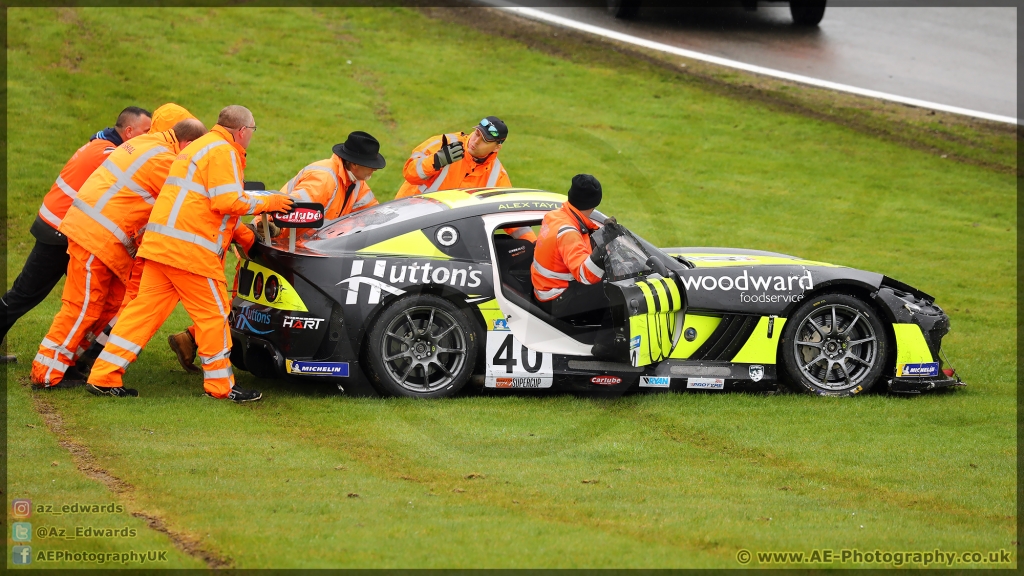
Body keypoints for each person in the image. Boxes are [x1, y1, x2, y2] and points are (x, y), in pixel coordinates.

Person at [85, 105, 294, 401]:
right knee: (214, 315)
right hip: (190, 251)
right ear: (243, 131)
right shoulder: (223, 151)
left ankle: (103, 375)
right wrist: (269, 203)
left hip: (161, 247)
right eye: (253, 132)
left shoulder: (198, 147)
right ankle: (221, 387)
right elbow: (227, 201)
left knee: (141, 314)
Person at [165, 131, 386, 373]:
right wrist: (273, 237)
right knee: (247, 306)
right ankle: (209, 359)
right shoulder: (324, 179)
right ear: (354, 163)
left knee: (248, 305)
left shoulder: (355, 184)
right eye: (370, 165)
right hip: (277, 246)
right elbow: (288, 213)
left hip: (293, 250)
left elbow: (371, 215)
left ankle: (190, 339)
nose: (374, 171)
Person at [30, 105, 205, 389]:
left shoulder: (147, 144)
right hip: (95, 238)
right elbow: (189, 201)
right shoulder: (164, 160)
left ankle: (69, 364)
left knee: (104, 306)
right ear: (186, 143)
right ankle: (46, 374)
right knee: (82, 307)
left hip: (101, 239)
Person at [0, 107, 152, 361]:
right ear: (128, 131)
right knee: (32, 295)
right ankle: (76, 358)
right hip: (62, 231)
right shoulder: (110, 156)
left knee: (53, 296)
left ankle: (79, 356)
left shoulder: (100, 145)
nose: (150, 138)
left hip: (57, 226)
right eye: (146, 132)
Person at [397, 117, 534, 242]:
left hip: (444, 237)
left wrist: (534, 244)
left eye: (485, 140)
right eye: (477, 133)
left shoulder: (497, 175)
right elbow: (410, 173)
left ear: (497, 147)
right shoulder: (443, 143)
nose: (476, 141)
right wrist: (436, 160)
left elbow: (510, 215)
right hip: (405, 220)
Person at [531, 174, 617, 356]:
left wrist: (600, 235)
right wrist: (603, 248)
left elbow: (579, 242)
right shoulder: (568, 232)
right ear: (595, 202)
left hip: (545, 293)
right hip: (559, 301)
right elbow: (586, 275)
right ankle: (606, 346)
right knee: (619, 291)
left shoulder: (555, 216)